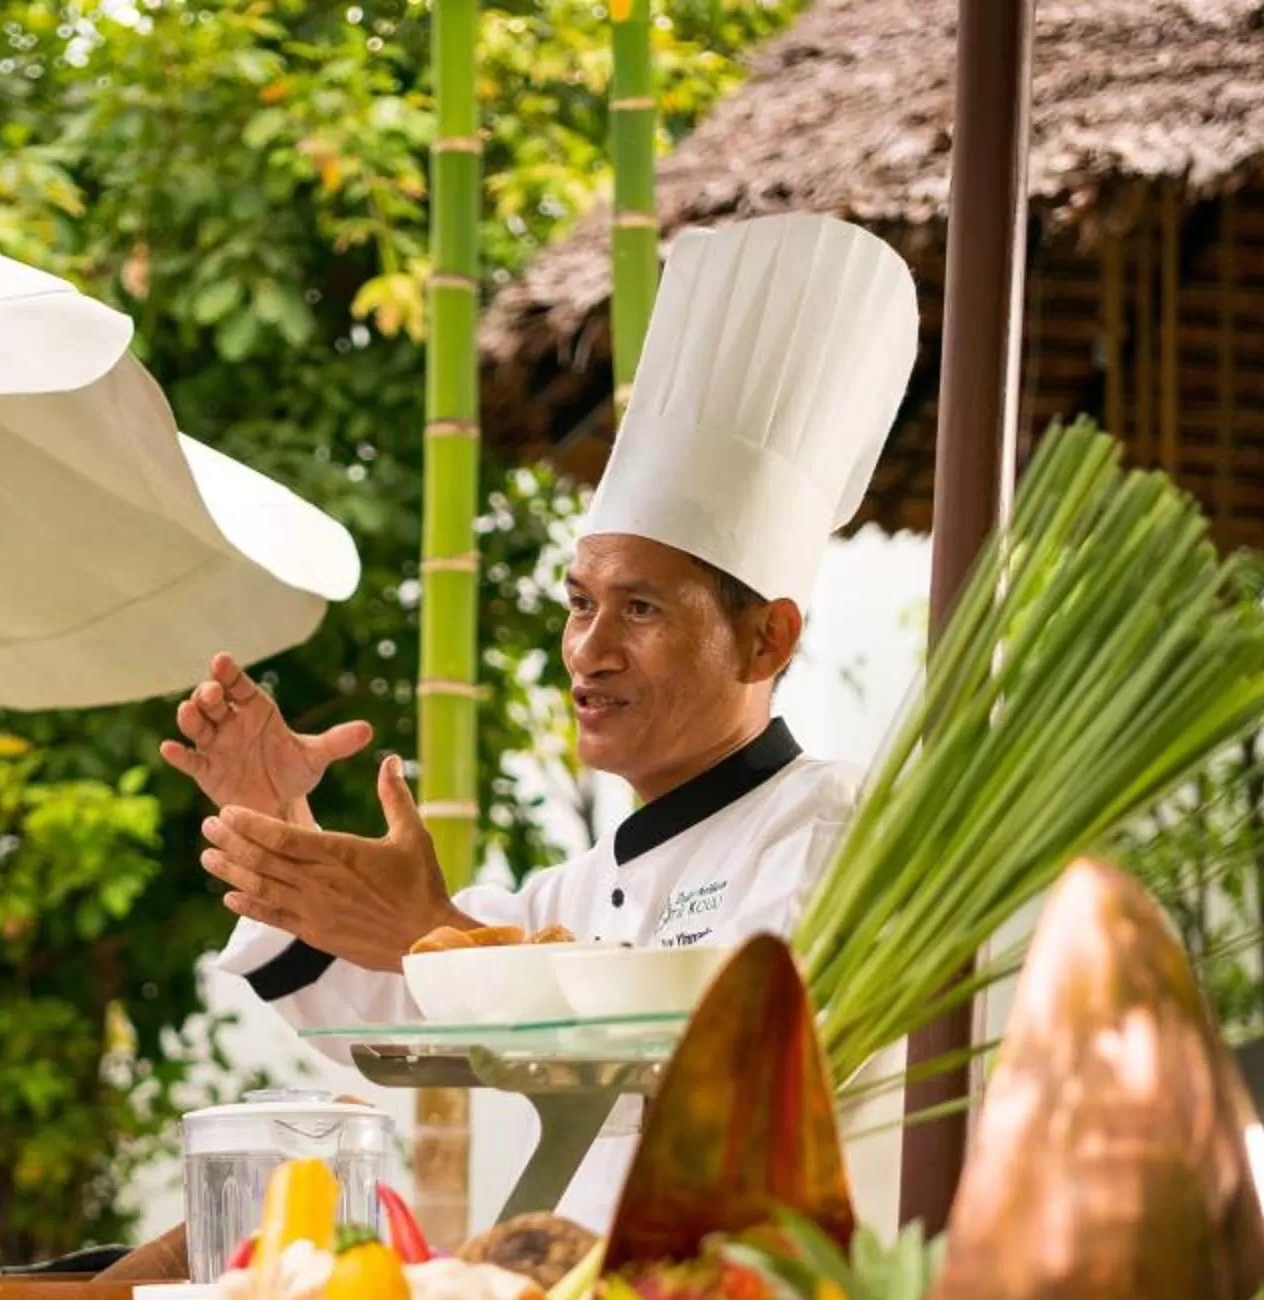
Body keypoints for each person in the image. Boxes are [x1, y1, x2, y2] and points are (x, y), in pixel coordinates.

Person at [167, 215, 919, 1228]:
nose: (588, 649)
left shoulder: (826, 830)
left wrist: (440, 938)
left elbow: (737, 1064)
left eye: (641, 609)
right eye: (579, 603)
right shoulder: (582, 885)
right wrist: (283, 820)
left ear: (766, 640)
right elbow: (385, 1017)